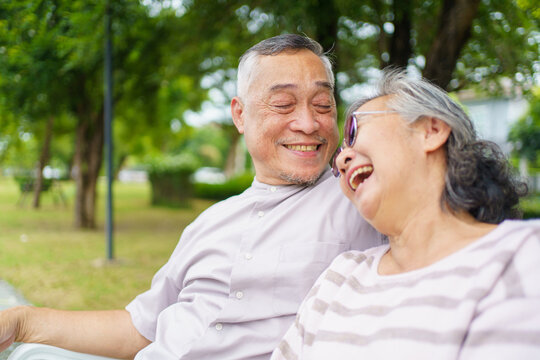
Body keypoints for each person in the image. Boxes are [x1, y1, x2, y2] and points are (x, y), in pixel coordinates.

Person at [0, 35, 382, 360]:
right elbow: (141, 329)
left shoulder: (362, 199)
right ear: (239, 115)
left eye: (323, 104)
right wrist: (23, 322)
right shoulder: (211, 222)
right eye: (283, 104)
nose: (309, 123)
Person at [271, 69, 540, 360]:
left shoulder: (521, 255)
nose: (341, 159)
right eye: (339, 157)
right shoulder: (340, 276)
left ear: (431, 130)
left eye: (353, 132)